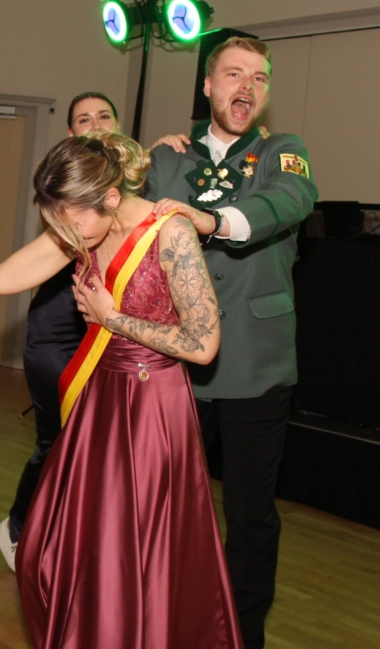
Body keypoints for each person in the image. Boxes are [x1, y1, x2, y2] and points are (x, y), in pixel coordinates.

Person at [0, 131, 242, 648]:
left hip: (152, 410)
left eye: (71, 220)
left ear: (111, 197)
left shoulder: (169, 232)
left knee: (132, 552)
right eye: (56, 221)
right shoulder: (81, 227)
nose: (65, 233)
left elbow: (203, 344)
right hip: (98, 401)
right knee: (49, 545)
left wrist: (113, 319)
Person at [145, 36, 319, 649]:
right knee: (163, 512)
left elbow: (288, 201)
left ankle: (241, 637)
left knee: (250, 515)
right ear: (208, 86)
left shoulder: (283, 152)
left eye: (259, 78)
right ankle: (161, 624)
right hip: (176, 363)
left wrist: (214, 221)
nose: (247, 86)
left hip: (257, 365)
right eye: (234, 74)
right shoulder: (166, 158)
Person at [0, 92, 196, 572]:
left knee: (101, 453)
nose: (96, 124)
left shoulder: (131, 198)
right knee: (58, 441)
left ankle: (82, 549)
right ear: (70, 136)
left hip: (115, 334)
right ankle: (21, 528)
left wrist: (170, 149)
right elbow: (1, 276)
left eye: (105, 117)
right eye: (84, 120)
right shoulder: (72, 205)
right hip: (61, 326)